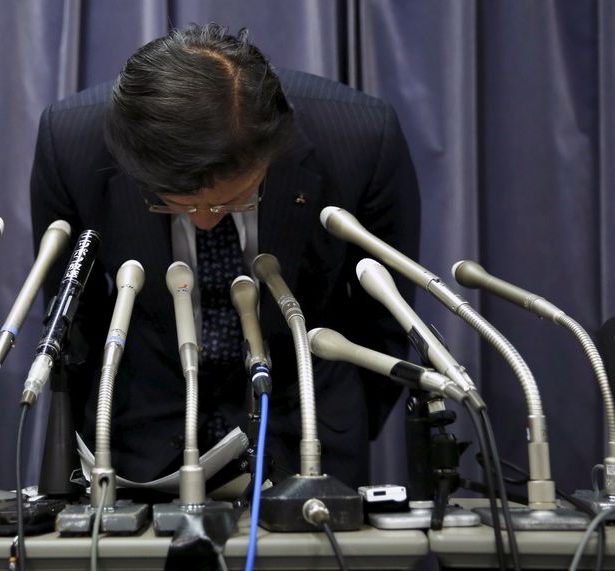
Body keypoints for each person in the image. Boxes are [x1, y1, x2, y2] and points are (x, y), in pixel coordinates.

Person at [30, 24, 420, 489]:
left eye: (231, 203)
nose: (204, 221)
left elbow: (388, 314)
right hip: (138, 436)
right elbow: (71, 319)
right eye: (175, 203)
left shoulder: (360, 138)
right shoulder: (72, 141)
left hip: (306, 434)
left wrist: (344, 417)